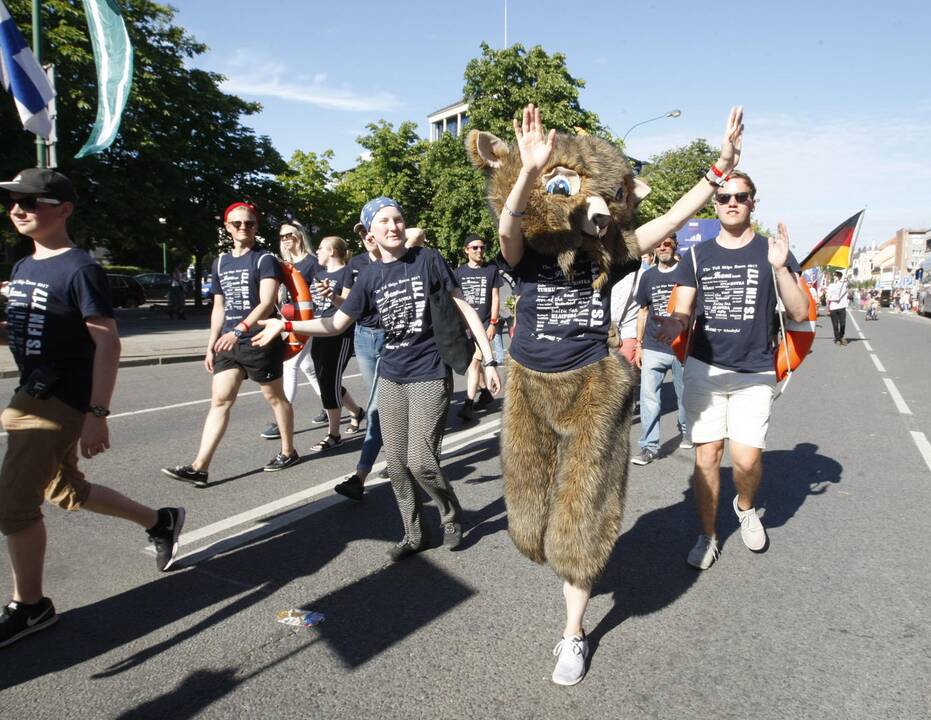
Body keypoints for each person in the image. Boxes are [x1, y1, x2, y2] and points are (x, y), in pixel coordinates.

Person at [472, 103, 744, 686]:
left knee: (583, 517)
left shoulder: (607, 258)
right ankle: (564, 588)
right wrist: (528, 168)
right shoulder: (522, 257)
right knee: (529, 519)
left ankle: (573, 632)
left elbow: (668, 219)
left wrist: (718, 170)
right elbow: (509, 225)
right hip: (530, 388)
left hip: (592, 390)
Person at [254, 197, 499, 559]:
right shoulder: (368, 275)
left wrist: (490, 359)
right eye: (383, 221)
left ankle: (450, 513)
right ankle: (414, 533)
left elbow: (462, 306)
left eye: (398, 219)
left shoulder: (427, 260)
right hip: (392, 374)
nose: (393, 226)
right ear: (371, 232)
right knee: (396, 464)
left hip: (430, 371)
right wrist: (286, 323)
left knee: (421, 460)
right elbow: (336, 323)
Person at [0, 168, 184, 648]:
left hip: (56, 402)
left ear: (63, 210)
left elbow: (107, 345)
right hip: (32, 393)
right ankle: (159, 521)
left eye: (31, 201)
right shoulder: (24, 266)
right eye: (14, 201)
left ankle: (31, 607)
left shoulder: (81, 268)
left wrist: (96, 414)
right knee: (66, 490)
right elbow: (28, 331)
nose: (18, 209)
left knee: (14, 506)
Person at [657, 170, 809, 571]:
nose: (731, 202)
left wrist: (779, 268)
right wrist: (673, 323)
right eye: (724, 197)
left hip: (755, 371)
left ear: (753, 202)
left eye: (740, 196)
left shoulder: (772, 251)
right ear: (715, 203)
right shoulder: (696, 254)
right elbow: (683, 308)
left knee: (745, 461)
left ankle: (744, 506)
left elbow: (797, 312)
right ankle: (707, 534)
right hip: (704, 369)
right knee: (707, 455)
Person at [161, 202, 298, 488]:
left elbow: (266, 301)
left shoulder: (264, 260)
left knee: (275, 398)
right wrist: (212, 343)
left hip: (260, 338)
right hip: (229, 341)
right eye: (237, 224)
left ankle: (288, 451)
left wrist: (240, 329)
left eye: (249, 223)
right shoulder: (220, 262)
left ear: (256, 227)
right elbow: (219, 307)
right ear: (227, 227)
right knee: (221, 400)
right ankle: (200, 466)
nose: (243, 228)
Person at [333, 223, 426, 502]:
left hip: (391, 339)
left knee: (376, 406)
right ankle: (399, 456)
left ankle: (360, 476)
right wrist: (332, 298)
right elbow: (348, 307)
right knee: (386, 405)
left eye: (369, 230)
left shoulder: (403, 256)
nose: (366, 237)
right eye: (362, 233)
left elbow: (417, 232)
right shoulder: (357, 264)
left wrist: (389, 235)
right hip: (363, 337)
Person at [260, 221, 325, 440]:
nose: (286, 239)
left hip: (308, 321)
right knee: (309, 367)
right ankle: (342, 407)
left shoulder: (312, 263)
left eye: (290, 235)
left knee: (290, 364)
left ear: (300, 236)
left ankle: (282, 419)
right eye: (282, 237)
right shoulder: (282, 264)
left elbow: (320, 294)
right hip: (287, 320)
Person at [631, 232, 689, 465]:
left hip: (681, 347)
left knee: (684, 397)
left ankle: (686, 429)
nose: (663, 247)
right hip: (654, 346)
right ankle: (649, 446)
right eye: (659, 244)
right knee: (649, 399)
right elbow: (643, 311)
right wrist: (639, 345)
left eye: (667, 243)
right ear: (654, 249)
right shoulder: (649, 276)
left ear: (675, 245)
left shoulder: (686, 273)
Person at [307, 236, 365, 450]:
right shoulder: (318, 274)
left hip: (339, 334)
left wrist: (332, 295)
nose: (317, 252)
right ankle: (357, 411)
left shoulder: (347, 272)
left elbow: (349, 305)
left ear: (331, 251)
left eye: (320, 248)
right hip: (319, 332)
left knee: (328, 380)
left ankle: (333, 434)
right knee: (325, 379)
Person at [455, 235, 501, 421]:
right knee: (472, 362)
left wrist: (493, 323)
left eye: (482, 247)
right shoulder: (458, 273)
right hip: (465, 327)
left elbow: (496, 297)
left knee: (475, 363)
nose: (479, 251)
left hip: (484, 325)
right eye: (475, 248)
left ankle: (467, 404)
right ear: (466, 250)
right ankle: (486, 393)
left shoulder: (491, 270)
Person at [826, 271, 849, 345]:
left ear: (839, 277)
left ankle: (841, 336)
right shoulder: (831, 285)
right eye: (834, 276)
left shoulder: (843, 284)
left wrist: (846, 279)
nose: (834, 277)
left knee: (843, 324)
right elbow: (828, 297)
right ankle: (837, 338)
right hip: (833, 307)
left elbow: (849, 284)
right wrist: (833, 300)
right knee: (835, 325)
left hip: (842, 306)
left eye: (835, 276)